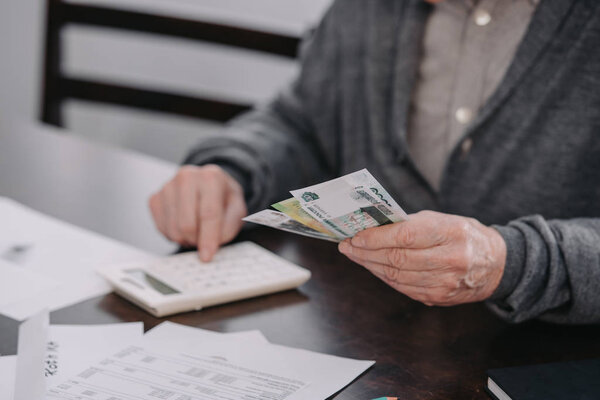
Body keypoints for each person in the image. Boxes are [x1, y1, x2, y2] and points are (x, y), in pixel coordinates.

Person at [149, 0, 600, 324]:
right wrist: (233, 170)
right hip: (368, 333)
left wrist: (514, 262)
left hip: (545, 360)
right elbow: (303, 121)